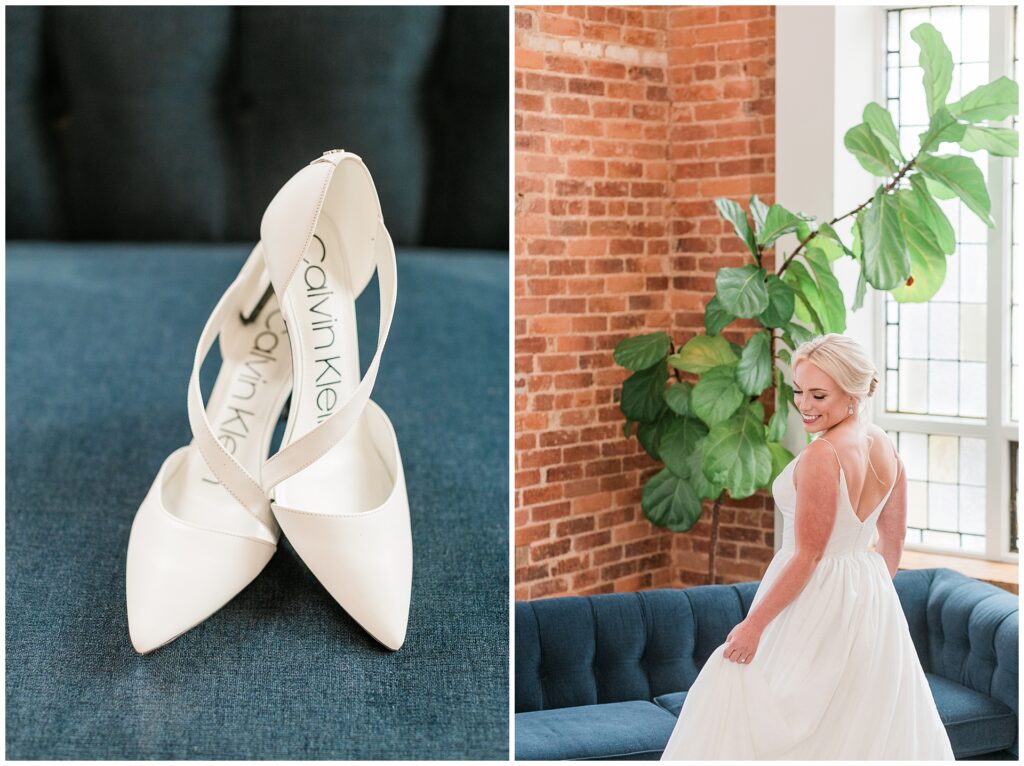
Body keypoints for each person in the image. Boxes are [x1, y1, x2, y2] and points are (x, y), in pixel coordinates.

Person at [660, 333, 955, 760]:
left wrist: (753, 626)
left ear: (853, 394)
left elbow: (809, 554)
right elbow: (893, 542)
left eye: (819, 394)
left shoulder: (825, 455)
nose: (804, 405)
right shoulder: (886, 445)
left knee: (745, 705)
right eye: (799, 391)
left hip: (810, 599)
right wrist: (867, 600)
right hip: (870, 600)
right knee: (854, 724)